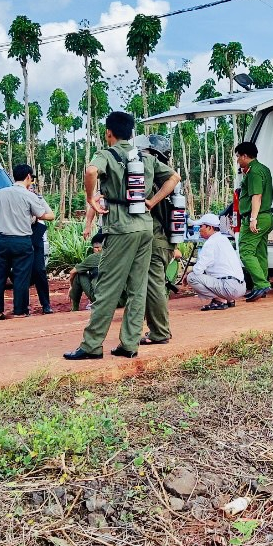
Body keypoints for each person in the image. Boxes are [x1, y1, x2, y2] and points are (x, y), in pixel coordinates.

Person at [64, 111, 179, 362]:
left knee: (107, 287)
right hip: (145, 228)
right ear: (131, 133)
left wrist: (90, 198)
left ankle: (92, 345)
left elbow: (92, 171)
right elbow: (174, 177)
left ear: (109, 132)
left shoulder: (106, 154)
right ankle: (129, 344)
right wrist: (151, 201)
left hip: (120, 227)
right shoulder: (144, 157)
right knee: (138, 287)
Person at [0, 163, 53, 320]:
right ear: (28, 177)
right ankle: (19, 310)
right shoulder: (30, 196)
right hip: (22, 240)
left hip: (1, 240)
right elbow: (44, 215)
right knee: (21, 276)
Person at [136, 133, 177, 346]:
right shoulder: (162, 178)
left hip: (157, 238)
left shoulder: (157, 178)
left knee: (154, 286)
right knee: (155, 285)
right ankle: (158, 329)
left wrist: (150, 202)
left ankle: (160, 332)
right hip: (164, 239)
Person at [235, 140, 273, 301]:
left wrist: (252, 219)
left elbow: (256, 196)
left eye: (238, 156)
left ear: (245, 156)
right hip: (267, 217)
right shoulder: (263, 169)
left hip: (257, 217)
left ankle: (261, 284)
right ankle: (262, 286)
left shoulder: (254, 172)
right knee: (260, 252)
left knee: (246, 251)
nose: (237, 160)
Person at [185, 213, 246, 310]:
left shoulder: (211, 243)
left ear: (210, 227)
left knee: (192, 277)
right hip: (241, 286)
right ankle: (229, 300)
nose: (200, 229)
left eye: (202, 226)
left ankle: (220, 300)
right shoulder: (223, 239)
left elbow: (198, 270)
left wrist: (189, 272)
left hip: (230, 287)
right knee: (211, 272)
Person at [69, 232, 104, 312]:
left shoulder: (94, 257)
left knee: (79, 274)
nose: (97, 250)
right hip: (119, 300)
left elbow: (72, 272)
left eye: (97, 247)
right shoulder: (116, 255)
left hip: (101, 299)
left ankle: (75, 308)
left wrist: (71, 286)